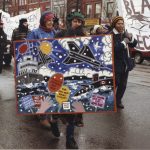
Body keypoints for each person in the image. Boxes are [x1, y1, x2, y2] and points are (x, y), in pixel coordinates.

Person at [54, 11, 86, 149]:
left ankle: (70, 139)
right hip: (62, 76)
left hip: (78, 77)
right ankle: (53, 121)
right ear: (70, 21)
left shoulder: (85, 36)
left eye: (80, 22)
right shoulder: (60, 34)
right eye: (75, 21)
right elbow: (53, 53)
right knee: (59, 105)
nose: (77, 24)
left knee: (73, 109)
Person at [27, 12, 56, 129]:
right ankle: (42, 117)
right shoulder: (34, 33)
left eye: (52, 20)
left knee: (51, 91)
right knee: (40, 91)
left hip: (52, 66)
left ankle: (48, 113)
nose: (50, 22)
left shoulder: (55, 33)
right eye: (48, 20)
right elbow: (27, 49)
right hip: (39, 66)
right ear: (43, 21)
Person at [111, 16, 137, 109]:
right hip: (115, 63)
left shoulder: (124, 33)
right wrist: (124, 42)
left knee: (123, 84)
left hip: (125, 63)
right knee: (115, 83)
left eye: (122, 23)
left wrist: (131, 37)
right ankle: (109, 100)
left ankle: (118, 101)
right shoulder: (111, 34)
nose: (121, 25)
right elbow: (115, 49)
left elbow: (134, 44)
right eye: (119, 23)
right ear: (114, 24)